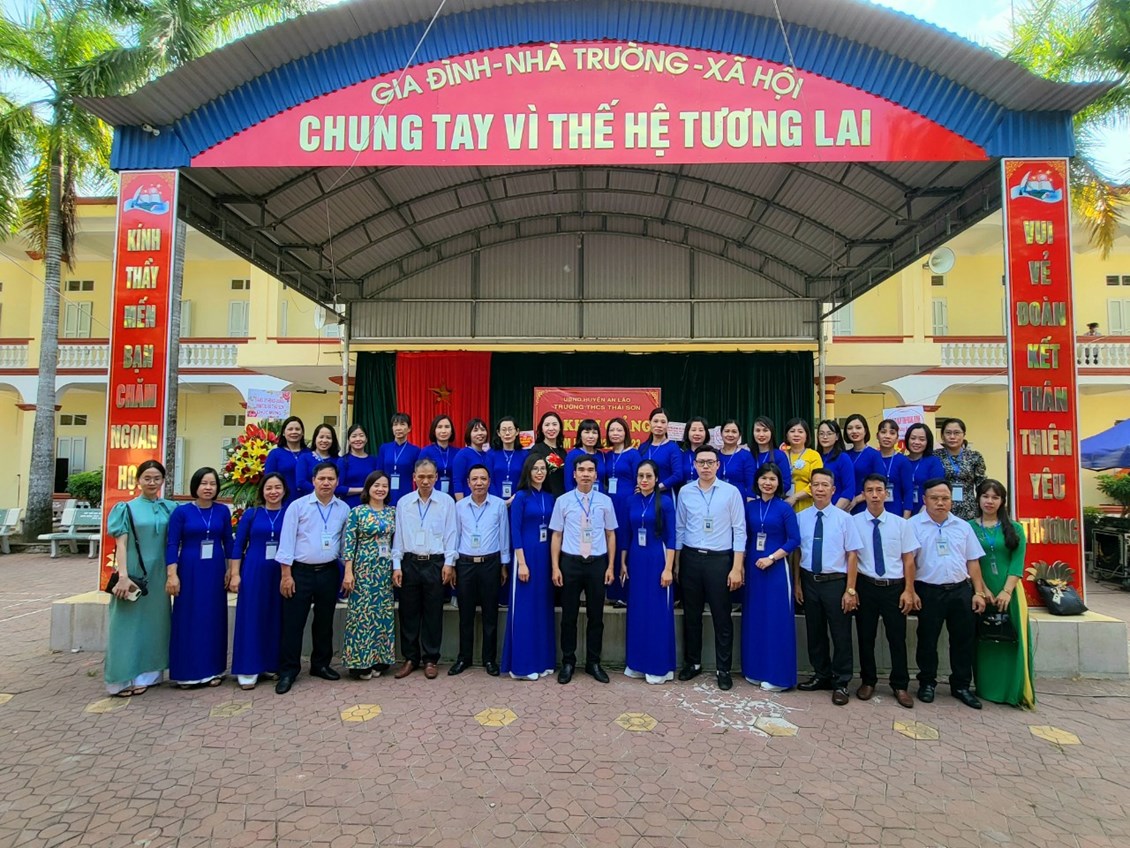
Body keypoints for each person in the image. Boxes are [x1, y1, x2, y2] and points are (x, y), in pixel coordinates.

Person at [910, 478, 990, 709]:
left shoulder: (963, 527)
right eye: (934, 498)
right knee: (927, 640)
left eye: (945, 498)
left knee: (963, 640)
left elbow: (972, 561)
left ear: (951, 501)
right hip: (928, 591)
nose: (940, 503)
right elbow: (908, 562)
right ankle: (927, 683)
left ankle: (961, 686)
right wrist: (910, 590)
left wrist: (979, 592)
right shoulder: (913, 526)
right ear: (925, 500)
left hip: (960, 591)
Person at [274, 461, 350, 694]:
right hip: (300, 573)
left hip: (328, 572)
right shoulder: (298, 506)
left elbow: (345, 543)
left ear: (337, 482)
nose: (326, 483)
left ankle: (320, 664)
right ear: (313, 481)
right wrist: (286, 575)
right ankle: (288, 670)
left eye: (331, 479)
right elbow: (287, 541)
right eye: (322, 479)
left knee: (324, 622)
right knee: (293, 623)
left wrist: (347, 571)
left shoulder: (343, 508)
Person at [675, 444, 746, 690]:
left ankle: (723, 669)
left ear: (718, 465)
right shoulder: (685, 492)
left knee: (721, 616)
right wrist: (677, 563)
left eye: (710, 462)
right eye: (701, 462)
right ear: (694, 465)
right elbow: (680, 528)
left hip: (720, 560)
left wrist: (737, 567)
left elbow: (739, 530)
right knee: (691, 615)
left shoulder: (731, 492)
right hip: (691, 558)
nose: (705, 466)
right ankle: (692, 663)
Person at [104, 460, 177, 697]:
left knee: (156, 622)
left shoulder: (170, 508)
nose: (152, 482)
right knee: (126, 625)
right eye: (147, 478)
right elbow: (121, 545)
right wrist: (123, 576)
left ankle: (148, 675)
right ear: (138, 480)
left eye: (157, 478)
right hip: (134, 573)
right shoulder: (126, 508)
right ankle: (121, 678)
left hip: (159, 575)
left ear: (163, 480)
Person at [851, 474, 921, 708]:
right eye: (869, 490)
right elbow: (851, 557)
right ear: (863, 494)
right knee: (865, 636)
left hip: (894, 587)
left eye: (878, 490)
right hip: (866, 585)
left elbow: (908, 560)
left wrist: (909, 590)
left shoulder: (901, 524)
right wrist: (852, 589)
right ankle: (868, 681)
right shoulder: (853, 522)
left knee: (897, 637)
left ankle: (900, 685)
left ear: (886, 493)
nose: (874, 495)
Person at [794, 468, 863, 706]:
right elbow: (797, 553)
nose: (820, 489)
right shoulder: (801, 518)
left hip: (835, 583)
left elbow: (852, 555)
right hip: (809, 581)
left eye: (825, 485)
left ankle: (841, 681)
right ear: (810, 488)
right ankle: (821, 674)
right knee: (815, 631)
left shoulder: (845, 519)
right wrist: (797, 584)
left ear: (833, 490)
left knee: (840, 633)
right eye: (816, 485)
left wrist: (850, 590)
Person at [550, 455, 618, 684]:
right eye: (581, 470)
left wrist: (610, 566)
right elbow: (556, 535)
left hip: (597, 564)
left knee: (596, 617)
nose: (586, 474)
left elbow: (611, 534)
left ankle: (593, 662)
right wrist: (555, 567)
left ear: (596, 474)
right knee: (568, 616)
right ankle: (568, 662)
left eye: (590, 470)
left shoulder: (605, 501)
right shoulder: (563, 501)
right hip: (570, 564)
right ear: (574, 474)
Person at [970, 479, 1035, 708]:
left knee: (1011, 639)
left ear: (1002, 501)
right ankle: (987, 688)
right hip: (980, 592)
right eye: (985, 496)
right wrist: (983, 589)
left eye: (995, 497)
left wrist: (1007, 591)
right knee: (985, 639)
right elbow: (970, 561)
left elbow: (1018, 563)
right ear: (978, 499)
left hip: (1011, 593)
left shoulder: (1015, 528)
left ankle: (1012, 690)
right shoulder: (969, 527)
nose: (989, 501)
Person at [166, 467, 233, 688]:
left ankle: (214, 670)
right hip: (190, 569)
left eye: (212, 484)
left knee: (213, 617)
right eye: (204, 483)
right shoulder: (182, 512)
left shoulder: (222, 511)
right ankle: (188, 673)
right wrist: (172, 575)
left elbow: (229, 541)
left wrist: (232, 570)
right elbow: (172, 544)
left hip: (215, 569)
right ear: (195, 485)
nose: (208, 488)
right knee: (189, 618)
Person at [392, 458, 458, 679]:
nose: (426, 481)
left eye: (430, 476)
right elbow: (398, 536)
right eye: (421, 476)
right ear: (414, 477)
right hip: (409, 562)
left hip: (435, 562)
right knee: (408, 612)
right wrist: (396, 565)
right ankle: (410, 658)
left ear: (436, 477)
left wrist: (449, 563)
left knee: (433, 612)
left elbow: (451, 533)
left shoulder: (446, 502)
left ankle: (430, 659)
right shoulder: (404, 503)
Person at [741, 463, 801, 692]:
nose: (768, 483)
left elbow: (794, 540)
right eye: (764, 478)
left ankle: (778, 677)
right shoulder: (750, 507)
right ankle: (756, 670)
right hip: (753, 568)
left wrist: (772, 558)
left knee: (776, 619)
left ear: (779, 483)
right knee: (755, 618)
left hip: (775, 569)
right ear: (757, 481)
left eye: (772, 479)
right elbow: (744, 536)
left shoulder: (785, 508)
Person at [229, 472, 288, 690]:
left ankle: (271, 664)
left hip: (280, 572)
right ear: (262, 491)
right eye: (268, 488)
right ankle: (248, 668)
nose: (273, 492)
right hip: (254, 570)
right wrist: (235, 574)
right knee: (251, 616)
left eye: (277, 487)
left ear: (284, 490)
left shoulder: (290, 513)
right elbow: (238, 545)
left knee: (275, 616)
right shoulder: (251, 514)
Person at [450, 464, 510, 676]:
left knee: (490, 614)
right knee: (465, 614)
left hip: (490, 563)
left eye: (483, 479)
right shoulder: (459, 506)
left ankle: (489, 659)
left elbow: (504, 535)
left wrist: (504, 564)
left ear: (489, 481)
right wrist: (453, 565)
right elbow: (455, 535)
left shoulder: (498, 505)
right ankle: (463, 658)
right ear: (468, 483)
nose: (479, 483)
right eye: (474, 479)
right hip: (465, 563)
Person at [620, 460, 677, 684]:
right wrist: (623, 563)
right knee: (637, 611)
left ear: (656, 478)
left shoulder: (666, 502)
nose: (644, 480)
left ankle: (658, 666)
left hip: (657, 559)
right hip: (636, 559)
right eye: (640, 476)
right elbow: (626, 534)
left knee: (657, 613)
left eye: (649, 476)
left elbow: (672, 538)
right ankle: (637, 663)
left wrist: (668, 569)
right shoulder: (630, 501)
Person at [501, 455, 557, 679]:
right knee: (524, 610)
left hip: (545, 558)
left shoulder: (550, 498)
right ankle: (522, 666)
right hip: (525, 558)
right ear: (528, 471)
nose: (540, 472)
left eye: (543, 468)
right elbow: (515, 531)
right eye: (535, 468)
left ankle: (542, 661)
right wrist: (522, 563)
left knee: (542, 609)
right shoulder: (521, 497)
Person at [341, 471, 397, 680]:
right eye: (376, 485)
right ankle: (360, 662)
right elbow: (349, 544)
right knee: (361, 615)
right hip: (363, 570)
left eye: (384, 486)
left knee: (382, 614)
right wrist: (348, 572)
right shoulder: (357, 512)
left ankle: (380, 659)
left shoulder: (393, 512)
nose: (380, 489)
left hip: (384, 571)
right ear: (368, 488)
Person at [604, 417, 640, 606]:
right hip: (609, 503)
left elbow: (639, 480)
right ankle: (611, 590)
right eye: (612, 430)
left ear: (626, 432)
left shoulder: (633, 454)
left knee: (624, 541)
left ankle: (625, 594)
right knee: (611, 542)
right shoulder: (607, 455)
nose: (615, 433)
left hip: (626, 503)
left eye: (619, 430)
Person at [934, 418, 986, 521]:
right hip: (941, 507)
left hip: (969, 509)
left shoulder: (975, 456)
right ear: (942, 436)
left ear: (964, 435)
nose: (952, 436)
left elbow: (981, 485)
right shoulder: (935, 456)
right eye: (948, 433)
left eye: (957, 433)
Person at [843, 413, 885, 513]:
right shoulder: (844, 455)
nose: (854, 431)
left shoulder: (874, 455)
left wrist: (857, 499)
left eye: (858, 428)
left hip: (865, 505)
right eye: (850, 428)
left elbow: (879, 482)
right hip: (844, 504)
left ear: (865, 430)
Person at [264, 415, 309, 509]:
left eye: (297, 429)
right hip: (283, 502)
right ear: (284, 433)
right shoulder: (275, 454)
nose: (294, 432)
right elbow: (268, 480)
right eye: (290, 429)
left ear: (302, 433)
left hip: (308, 501)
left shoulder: (310, 453)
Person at [376, 412, 420, 506]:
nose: (398, 428)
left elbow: (418, 476)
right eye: (395, 425)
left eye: (402, 424)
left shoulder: (415, 450)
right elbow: (378, 472)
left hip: (406, 494)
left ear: (409, 428)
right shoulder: (384, 448)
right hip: (385, 494)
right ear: (392, 428)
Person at [782, 417, 822, 513]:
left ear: (806, 435)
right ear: (787, 435)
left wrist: (795, 497)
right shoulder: (781, 454)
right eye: (792, 431)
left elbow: (817, 482)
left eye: (800, 431)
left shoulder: (813, 455)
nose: (796, 434)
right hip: (783, 502)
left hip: (806, 504)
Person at [876, 419, 914, 517]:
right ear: (877, 436)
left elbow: (908, 491)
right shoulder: (872, 457)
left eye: (892, 433)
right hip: (874, 511)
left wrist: (905, 519)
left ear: (897, 438)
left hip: (896, 512)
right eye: (883, 432)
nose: (887, 436)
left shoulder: (903, 461)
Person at [904, 423, 945, 514]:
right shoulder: (902, 460)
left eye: (922, 439)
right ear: (907, 439)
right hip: (902, 512)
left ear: (928, 442)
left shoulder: (933, 462)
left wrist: (921, 515)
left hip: (926, 511)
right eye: (913, 438)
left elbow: (936, 489)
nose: (916, 442)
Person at [639, 407, 682, 494]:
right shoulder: (642, 447)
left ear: (668, 425)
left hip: (664, 495)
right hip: (643, 494)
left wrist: (656, 488)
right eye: (655, 421)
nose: (659, 425)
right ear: (649, 423)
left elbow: (678, 475)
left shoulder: (673, 447)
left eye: (663, 422)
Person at [337, 424, 379, 509]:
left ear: (366, 439)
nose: (358, 439)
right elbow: (338, 488)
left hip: (370, 507)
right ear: (349, 440)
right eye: (354, 436)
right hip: (349, 506)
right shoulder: (343, 461)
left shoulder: (374, 460)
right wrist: (364, 489)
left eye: (361, 435)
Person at [750, 416, 793, 498]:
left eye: (765, 430)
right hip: (751, 500)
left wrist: (766, 494)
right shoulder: (749, 455)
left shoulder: (779, 455)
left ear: (771, 432)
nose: (761, 434)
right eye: (758, 430)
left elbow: (786, 483)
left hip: (773, 500)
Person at [528, 411, 568, 496]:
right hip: (544, 496)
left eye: (554, 424)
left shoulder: (563, 452)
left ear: (560, 428)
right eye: (547, 425)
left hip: (562, 496)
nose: (551, 428)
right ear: (542, 429)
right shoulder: (536, 449)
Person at [816, 419, 854, 510]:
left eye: (829, 433)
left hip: (836, 508)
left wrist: (833, 512)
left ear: (837, 436)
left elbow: (849, 489)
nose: (825, 437)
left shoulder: (843, 458)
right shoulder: (815, 456)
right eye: (821, 434)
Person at [489, 415, 527, 501]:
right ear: (498, 433)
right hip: (495, 501)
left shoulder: (524, 455)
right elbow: (489, 480)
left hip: (518, 500)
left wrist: (514, 498)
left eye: (510, 429)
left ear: (517, 432)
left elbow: (525, 480)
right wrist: (499, 502)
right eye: (503, 430)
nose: (507, 433)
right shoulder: (491, 454)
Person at [296, 424, 340, 499]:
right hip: (308, 500)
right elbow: (301, 482)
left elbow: (339, 483)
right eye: (321, 437)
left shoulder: (339, 460)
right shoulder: (304, 457)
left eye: (328, 438)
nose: (324, 440)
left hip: (331, 500)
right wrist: (320, 493)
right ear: (315, 438)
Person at [419, 414, 459, 496]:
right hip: (432, 496)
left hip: (453, 496)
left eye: (447, 427)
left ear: (451, 431)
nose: (443, 431)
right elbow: (421, 478)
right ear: (434, 431)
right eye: (439, 427)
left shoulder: (458, 453)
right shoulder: (426, 452)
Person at [452, 417, 490, 501]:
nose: (480, 433)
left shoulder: (488, 455)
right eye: (475, 430)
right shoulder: (462, 454)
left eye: (483, 430)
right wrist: (461, 504)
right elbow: (457, 481)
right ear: (469, 434)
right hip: (468, 501)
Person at [565, 418, 607, 492]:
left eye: (594, 433)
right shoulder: (572, 455)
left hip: (600, 496)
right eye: (587, 432)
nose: (591, 436)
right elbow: (568, 483)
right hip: (579, 497)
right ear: (580, 435)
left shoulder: (602, 455)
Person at [717, 419, 754, 501]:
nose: (730, 434)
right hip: (718, 498)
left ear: (739, 435)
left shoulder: (746, 455)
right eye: (727, 431)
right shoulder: (715, 455)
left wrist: (750, 500)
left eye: (734, 432)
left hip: (739, 498)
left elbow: (751, 482)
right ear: (721, 434)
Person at [678, 416, 711, 490]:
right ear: (687, 432)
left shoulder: (711, 455)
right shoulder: (681, 455)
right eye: (693, 430)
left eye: (701, 430)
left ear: (706, 433)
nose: (697, 433)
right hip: (684, 493)